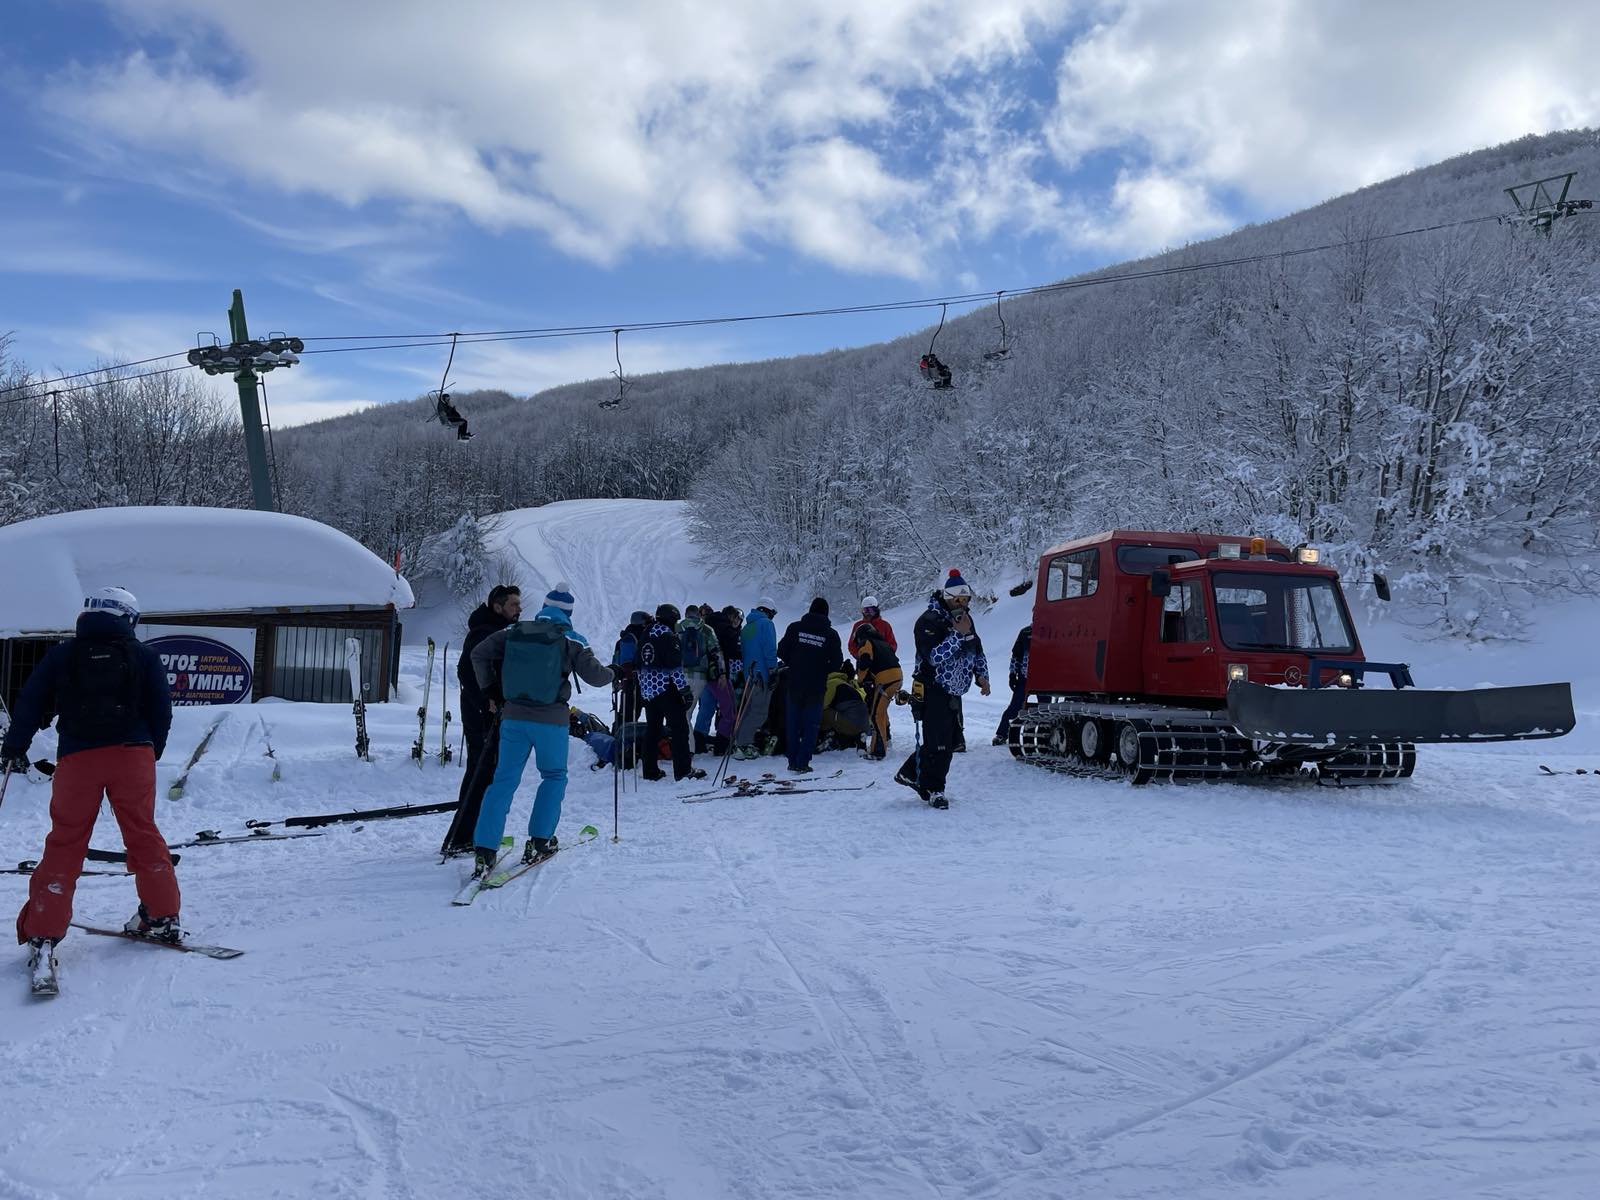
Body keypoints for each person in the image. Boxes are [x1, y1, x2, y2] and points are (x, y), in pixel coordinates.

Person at [2, 587, 179, 987]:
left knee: (66, 840)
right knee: (143, 832)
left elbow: (31, 699)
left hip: (79, 757)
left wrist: (15, 745)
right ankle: (161, 916)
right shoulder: (144, 655)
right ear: (128, 617)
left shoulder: (65, 653)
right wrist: (151, 749)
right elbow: (161, 707)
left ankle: (44, 932)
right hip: (134, 753)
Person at [469, 581, 612, 874]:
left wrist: (492, 691)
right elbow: (596, 677)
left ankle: (485, 850)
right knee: (553, 776)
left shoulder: (514, 631)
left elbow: (478, 654)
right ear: (569, 612)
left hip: (513, 718)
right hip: (551, 722)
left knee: (503, 781)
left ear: (544, 607)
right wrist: (616, 672)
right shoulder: (571, 638)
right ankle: (540, 841)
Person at [895, 570, 989, 809]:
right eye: (956, 599)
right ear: (946, 597)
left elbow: (976, 649)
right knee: (938, 743)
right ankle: (935, 788)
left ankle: (913, 775)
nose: (961, 603)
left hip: (955, 691)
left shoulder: (966, 620)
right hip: (932, 687)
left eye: (965, 598)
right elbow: (933, 657)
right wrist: (958, 634)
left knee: (950, 742)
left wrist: (982, 676)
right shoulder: (929, 621)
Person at [440, 583, 521, 857]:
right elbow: (466, 671)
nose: (518, 610)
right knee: (481, 770)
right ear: (498, 607)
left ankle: (472, 832)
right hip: (480, 712)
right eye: (513, 605)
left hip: (490, 709)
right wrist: (485, 699)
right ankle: (462, 836)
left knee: (485, 771)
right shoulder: (483, 633)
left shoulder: (499, 631)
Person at [777, 598, 843, 773]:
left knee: (792, 723)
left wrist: (795, 663)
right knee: (811, 725)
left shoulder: (794, 628)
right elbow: (837, 663)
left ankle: (792, 760)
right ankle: (803, 761)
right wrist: (821, 669)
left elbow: (781, 650)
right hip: (816, 685)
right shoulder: (831, 635)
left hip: (795, 682)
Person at [637, 604, 701, 782]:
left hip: (649, 690)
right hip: (667, 689)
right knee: (679, 730)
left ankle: (650, 771)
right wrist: (684, 690)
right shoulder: (668, 636)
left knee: (653, 730)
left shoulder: (645, 635)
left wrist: (644, 689)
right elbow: (675, 668)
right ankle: (683, 771)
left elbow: (639, 665)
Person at [734, 598, 779, 760]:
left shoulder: (747, 627)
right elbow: (769, 649)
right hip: (761, 675)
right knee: (759, 712)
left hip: (749, 675)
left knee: (749, 710)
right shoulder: (766, 624)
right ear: (768, 611)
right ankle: (743, 743)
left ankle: (740, 740)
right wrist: (773, 670)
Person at [853, 621, 902, 760]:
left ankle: (877, 750)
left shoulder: (866, 642)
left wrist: (860, 680)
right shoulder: (883, 643)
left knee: (875, 715)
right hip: (897, 677)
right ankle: (886, 739)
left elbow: (865, 661)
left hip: (885, 679)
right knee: (881, 710)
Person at [993, 625, 1032, 745]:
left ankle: (1045, 737)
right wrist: (1012, 673)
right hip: (1024, 678)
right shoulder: (1026, 632)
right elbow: (1016, 655)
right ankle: (1002, 733)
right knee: (1015, 706)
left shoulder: (1053, 631)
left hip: (1044, 679)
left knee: (1045, 709)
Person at [818, 666, 871, 751]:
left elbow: (823, 705)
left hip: (852, 724)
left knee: (824, 713)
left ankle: (822, 737)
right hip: (865, 725)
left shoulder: (832, 683)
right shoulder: (846, 684)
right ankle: (852, 737)